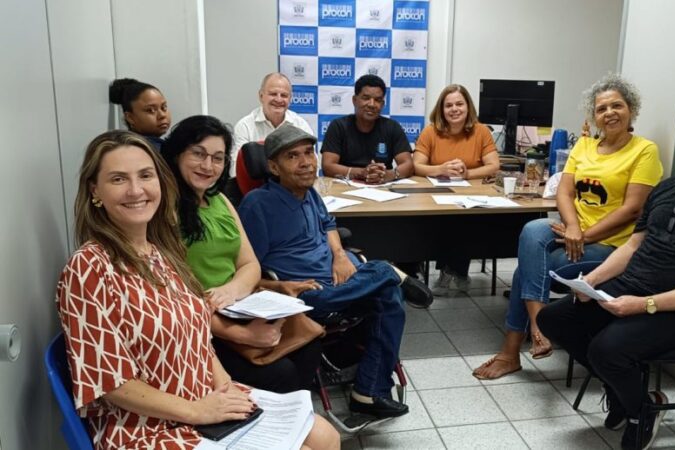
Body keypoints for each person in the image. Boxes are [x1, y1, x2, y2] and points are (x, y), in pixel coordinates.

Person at [56, 130, 339, 449]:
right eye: (119, 179)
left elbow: (199, 341)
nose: (136, 190)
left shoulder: (162, 252)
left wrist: (225, 386)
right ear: (95, 191)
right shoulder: (88, 268)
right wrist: (198, 411)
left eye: (145, 175)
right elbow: (109, 383)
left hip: (204, 397)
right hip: (145, 427)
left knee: (326, 435)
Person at [537, 102, 675, 450]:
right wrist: (592, 282)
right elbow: (632, 246)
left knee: (606, 350)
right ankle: (627, 393)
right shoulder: (669, 188)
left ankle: (641, 411)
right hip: (632, 289)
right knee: (555, 320)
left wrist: (643, 305)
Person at [473, 74, 663, 380]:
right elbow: (564, 190)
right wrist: (574, 228)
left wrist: (584, 235)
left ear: (631, 109)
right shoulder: (585, 146)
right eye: (601, 109)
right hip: (574, 236)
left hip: (612, 248)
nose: (609, 113)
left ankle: (516, 348)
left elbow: (633, 209)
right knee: (534, 230)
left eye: (617, 105)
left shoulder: (644, 150)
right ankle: (539, 327)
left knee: (525, 270)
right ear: (594, 116)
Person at [239, 125, 433, 419]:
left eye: (308, 153)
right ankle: (389, 270)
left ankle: (367, 393)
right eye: (293, 156)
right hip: (305, 297)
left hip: (340, 283)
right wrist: (282, 288)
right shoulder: (258, 205)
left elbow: (329, 224)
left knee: (389, 296)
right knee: (383, 277)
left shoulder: (310, 193)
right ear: (273, 167)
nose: (306, 162)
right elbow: (248, 270)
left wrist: (340, 255)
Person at [161, 115, 323, 393]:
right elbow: (172, 298)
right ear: (177, 155)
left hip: (238, 306)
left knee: (309, 342)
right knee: (279, 374)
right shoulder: (163, 210)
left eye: (217, 158)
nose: (208, 166)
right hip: (200, 327)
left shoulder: (220, 199)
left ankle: (292, 421)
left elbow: (250, 264)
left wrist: (231, 290)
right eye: (198, 154)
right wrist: (239, 333)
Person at [413, 84, 500, 294]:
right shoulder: (430, 131)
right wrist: (440, 169)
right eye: (448, 105)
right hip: (436, 195)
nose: (454, 109)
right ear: (441, 109)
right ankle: (450, 272)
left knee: (466, 218)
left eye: (459, 104)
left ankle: (454, 271)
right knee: (447, 219)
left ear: (468, 106)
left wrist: (467, 174)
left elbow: (494, 165)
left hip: (470, 195)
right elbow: (416, 165)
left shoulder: (481, 131)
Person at [321, 74, 414, 184]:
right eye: (366, 98)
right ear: (354, 100)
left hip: (382, 188)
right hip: (345, 187)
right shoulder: (338, 126)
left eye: (377, 100)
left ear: (383, 104)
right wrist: (361, 173)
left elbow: (408, 165)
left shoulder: (392, 127)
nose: (371, 104)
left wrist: (388, 175)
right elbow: (327, 166)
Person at [232, 72, 315, 177]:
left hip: (293, 188)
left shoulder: (300, 125)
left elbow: (311, 165)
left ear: (290, 99)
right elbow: (236, 169)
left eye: (284, 95)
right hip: (255, 188)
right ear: (261, 96)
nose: (279, 99)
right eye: (273, 94)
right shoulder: (245, 127)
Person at [109, 78, 171, 150]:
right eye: (150, 110)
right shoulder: (139, 150)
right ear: (130, 117)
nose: (162, 115)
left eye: (164, 107)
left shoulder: (160, 146)